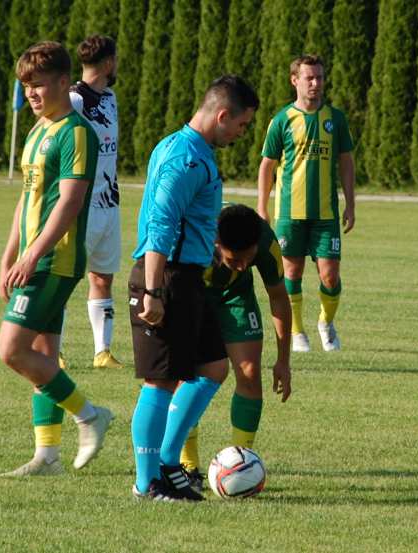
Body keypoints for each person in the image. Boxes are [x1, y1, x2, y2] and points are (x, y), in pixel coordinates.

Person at [129, 75, 259, 501]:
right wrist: (153, 292)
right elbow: (161, 223)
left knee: (212, 368)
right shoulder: (185, 158)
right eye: (241, 125)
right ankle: (147, 482)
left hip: (187, 278)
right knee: (159, 381)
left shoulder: (185, 148)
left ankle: (168, 462)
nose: (242, 133)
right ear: (222, 116)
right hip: (166, 277)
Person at [0, 41, 113, 477]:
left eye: (39, 85)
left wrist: (32, 255)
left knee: (11, 350)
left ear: (65, 82)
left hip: (55, 262)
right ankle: (47, 455)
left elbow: (70, 202)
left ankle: (89, 415)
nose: (31, 93)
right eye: (26, 86)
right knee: (44, 354)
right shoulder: (37, 130)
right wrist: (9, 255)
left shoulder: (76, 132)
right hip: (32, 258)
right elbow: (26, 199)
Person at [178, 203, 293, 489]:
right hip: (192, 294)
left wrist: (283, 361)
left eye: (247, 258)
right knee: (188, 375)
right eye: (234, 260)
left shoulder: (265, 242)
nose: (243, 266)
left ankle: (243, 463)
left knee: (250, 372)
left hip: (235, 297)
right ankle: (187, 465)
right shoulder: (196, 234)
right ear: (217, 244)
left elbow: (278, 297)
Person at [257, 54, 355, 353]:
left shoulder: (335, 119)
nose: (315, 83)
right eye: (309, 78)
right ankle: (298, 332)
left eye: (320, 77)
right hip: (290, 213)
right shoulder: (282, 120)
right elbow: (267, 166)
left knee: (330, 274)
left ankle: (326, 323)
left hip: (325, 213)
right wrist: (262, 208)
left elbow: (346, 162)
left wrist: (350, 204)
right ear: (294, 80)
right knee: (292, 273)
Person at [66, 35, 123, 369]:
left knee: (102, 277)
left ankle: (102, 351)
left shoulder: (111, 98)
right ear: (106, 63)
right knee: (64, 277)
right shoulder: (73, 100)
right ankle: (53, 350)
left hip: (110, 204)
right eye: (114, 59)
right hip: (80, 206)